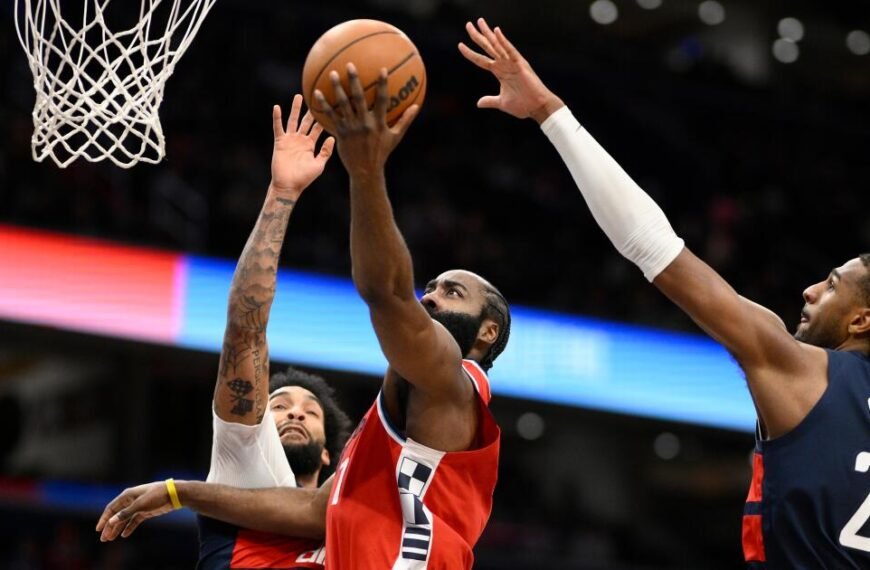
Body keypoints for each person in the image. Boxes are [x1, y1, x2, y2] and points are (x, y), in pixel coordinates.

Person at [459, 17, 870, 568]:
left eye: (833, 285)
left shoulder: (802, 372)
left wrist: (549, 113)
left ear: (861, 320)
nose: (811, 289)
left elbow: (655, 248)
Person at [97, 70, 511, 570]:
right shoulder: (349, 481)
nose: (431, 297)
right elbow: (315, 507)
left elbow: (387, 293)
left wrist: (365, 171)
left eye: (451, 292)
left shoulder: (449, 380)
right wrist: (178, 491)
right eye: (279, 404)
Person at [97, 95, 353, 570]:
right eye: (279, 405)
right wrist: (282, 195)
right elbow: (245, 331)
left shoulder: (352, 521)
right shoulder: (249, 460)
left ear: (327, 456)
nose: (295, 412)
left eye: (310, 411)